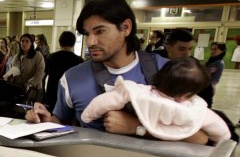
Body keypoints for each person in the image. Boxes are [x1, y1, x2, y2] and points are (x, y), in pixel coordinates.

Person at [27, 0, 208, 145]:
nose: (90, 42)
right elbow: (62, 123)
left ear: (126, 28)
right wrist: (45, 121)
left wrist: (136, 127)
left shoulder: (166, 71)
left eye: (100, 32)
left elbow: (200, 138)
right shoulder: (73, 78)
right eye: (87, 34)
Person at [81, 58, 230, 144]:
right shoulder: (192, 108)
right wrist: (222, 139)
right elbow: (218, 128)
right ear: (185, 94)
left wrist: (88, 115)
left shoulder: (138, 92)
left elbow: (104, 101)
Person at [44, 31, 83, 110]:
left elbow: (45, 75)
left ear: (60, 42)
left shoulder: (52, 57)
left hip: (52, 95)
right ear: (73, 43)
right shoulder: (79, 61)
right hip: (70, 97)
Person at [6, 33, 45, 102]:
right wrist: (10, 77)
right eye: (22, 41)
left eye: (27, 41)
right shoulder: (16, 57)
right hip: (19, 88)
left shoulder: (37, 55)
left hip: (34, 89)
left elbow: (40, 72)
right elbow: (12, 71)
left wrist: (30, 83)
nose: (24, 43)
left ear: (31, 43)